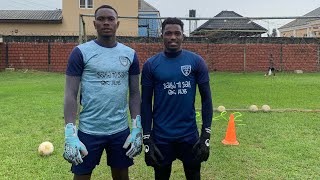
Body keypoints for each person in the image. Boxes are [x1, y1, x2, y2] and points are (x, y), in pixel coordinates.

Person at [63, 5, 142, 180]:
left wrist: (137, 127)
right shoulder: (80, 52)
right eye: (101, 19)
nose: (106, 22)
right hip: (89, 129)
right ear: (94, 23)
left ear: (117, 23)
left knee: (122, 176)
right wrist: (70, 133)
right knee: (81, 176)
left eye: (110, 19)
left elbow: (135, 93)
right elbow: (70, 93)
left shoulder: (130, 54)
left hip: (120, 130)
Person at [141, 17, 213, 180]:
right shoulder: (151, 64)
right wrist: (147, 138)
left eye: (177, 33)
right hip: (161, 136)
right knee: (161, 175)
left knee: (194, 174)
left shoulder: (196, 61)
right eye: (168, 33)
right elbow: (145, 103)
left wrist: (205, 136)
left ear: (183, 36)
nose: (172, 37)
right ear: (162, 36)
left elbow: (207, 99)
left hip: (189, 135)